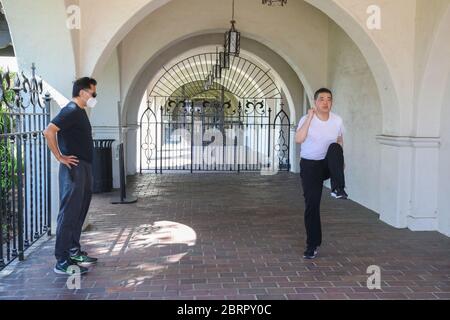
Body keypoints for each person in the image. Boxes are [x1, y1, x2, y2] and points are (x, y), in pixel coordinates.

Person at [43, 77, 99, 275]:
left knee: (79, 210)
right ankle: (62, 260)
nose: (94, 97)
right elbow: (49, 131)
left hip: (84, 166)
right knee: (68, 213)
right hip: (73, 169)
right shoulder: (71, 110)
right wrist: (59, 157)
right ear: (83, 92)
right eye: (93, 93)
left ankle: (74, 251)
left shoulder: (80, 111)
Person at [296, 88, 348, 260]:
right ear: (315, 102)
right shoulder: (306, 119)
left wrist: (340, 161)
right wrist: (310, 117)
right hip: (310, 166)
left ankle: (338, 188)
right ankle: (312, 245)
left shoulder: (337, 120)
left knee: (334, 147)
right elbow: (299, 139)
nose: (326, 102)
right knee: (312, 205)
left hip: (326, 163)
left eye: (329, 99)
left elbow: (339, 140)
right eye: (322, 99)